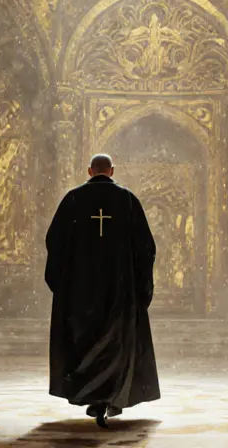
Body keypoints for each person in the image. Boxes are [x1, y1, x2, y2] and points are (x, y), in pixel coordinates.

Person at [45, 153, 160, 428]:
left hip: (81, 291)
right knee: (115, 342)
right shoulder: (127, 200)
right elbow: (146, 247)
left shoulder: (73, 199)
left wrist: (62, 282)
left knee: (86, 339)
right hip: (119, 288)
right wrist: (141, 285)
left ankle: (93, 397)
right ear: (112, 171)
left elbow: (54, 241)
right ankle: (111, 396)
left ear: (89, 171)